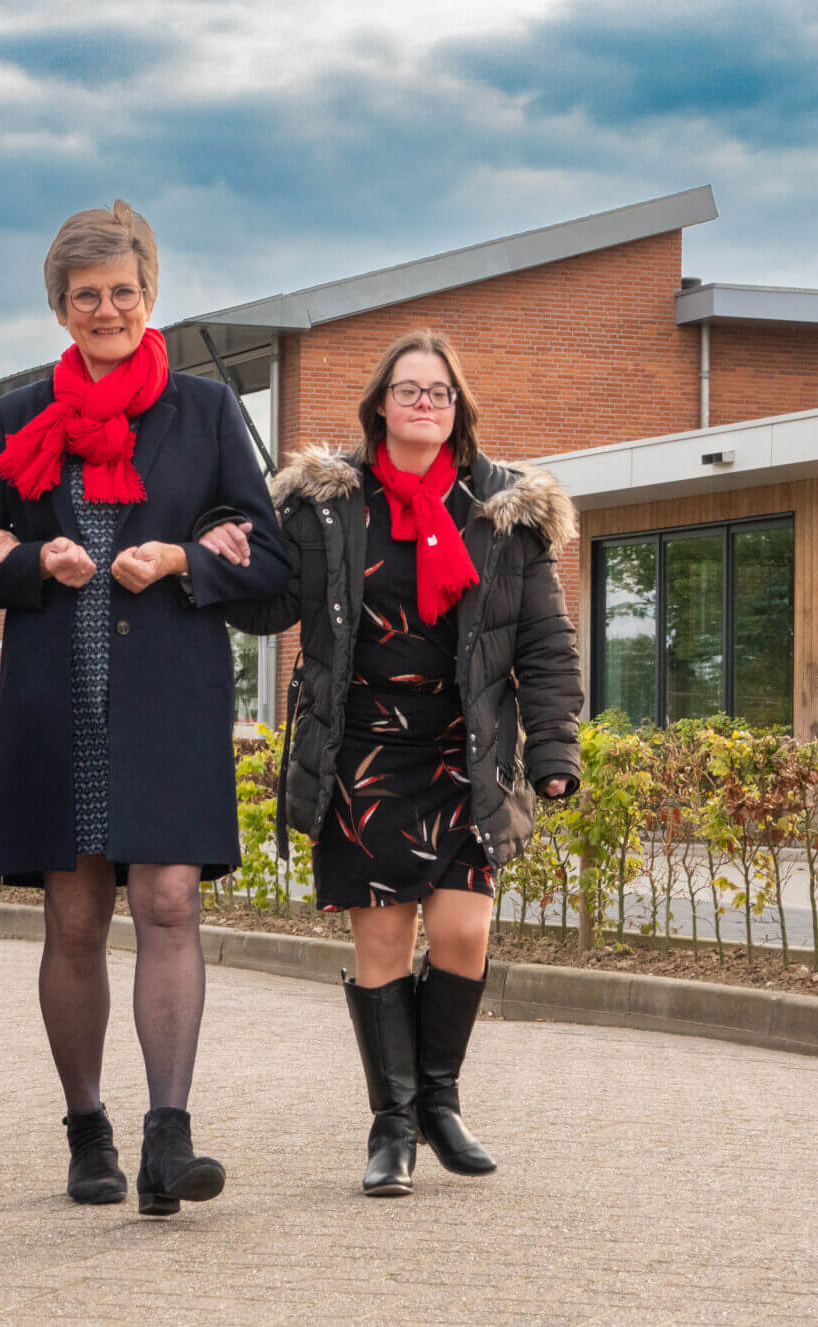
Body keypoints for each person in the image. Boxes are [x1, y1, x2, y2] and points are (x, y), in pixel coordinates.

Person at [0, 200, 290, 1217]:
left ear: (152, 297)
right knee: (76, 916)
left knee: (170, 899)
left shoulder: (206, 411)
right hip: (59, 700)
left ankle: (167, 1135)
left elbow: (273, 568)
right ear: (60, 307)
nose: (107, 309)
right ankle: (86, 1126)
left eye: (124, 292)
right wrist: (27, 558)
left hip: (168, 700)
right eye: (86, 295)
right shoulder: (15, 418)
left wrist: (183, 558)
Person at [222, 328, 582, 1197]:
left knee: (462, 932)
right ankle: (393, 1124)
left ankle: (438, 1101)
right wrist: (225, 557)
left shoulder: (502, 510)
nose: (425, 403)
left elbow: (545, 644)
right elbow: (273, 607)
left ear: (458, 409)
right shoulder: (327, 507)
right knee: (383, 939)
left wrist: (554, 748)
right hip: (362, 754)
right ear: (380, 405)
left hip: (466, 754)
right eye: (409, 389)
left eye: (440, 392)